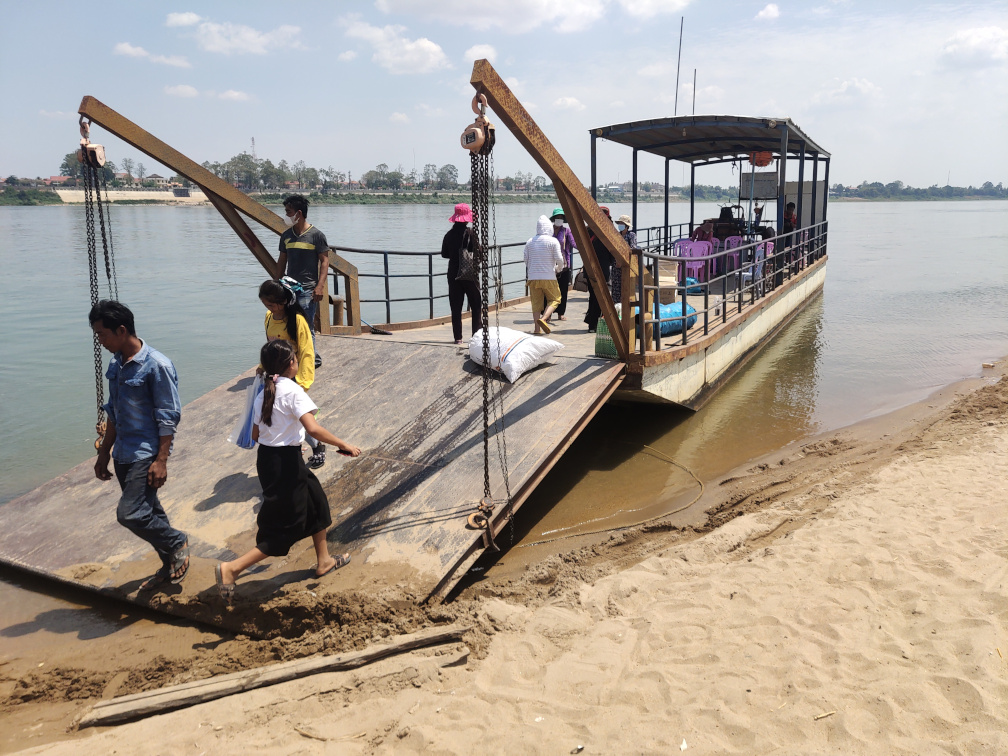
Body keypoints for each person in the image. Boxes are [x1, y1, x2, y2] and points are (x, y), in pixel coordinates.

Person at [215, 339, 360, 602]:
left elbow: (257, 434)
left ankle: (324, 560)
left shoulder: (263, 393)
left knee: (316, 502)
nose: (297, 361)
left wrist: (287, 442)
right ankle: (232, 568)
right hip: (286, 464)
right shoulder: (293, 392)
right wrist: (343, 444)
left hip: (270, 460)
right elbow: (313, 429)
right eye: (294, 358)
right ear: (290, 364)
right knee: (287, 529)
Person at [89, 300, 189, 590]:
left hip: (145, 453)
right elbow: (114, 413)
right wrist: (103, 453)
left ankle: (176, 542)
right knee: (150, 510)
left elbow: (169, 417)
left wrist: (161, 460)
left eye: (103, 335)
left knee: (130, 513)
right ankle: (170, 561)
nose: (101, 342)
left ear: (121, 330)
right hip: (123, 453)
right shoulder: (116, 363)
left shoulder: (157, 365)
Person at [259, 279, 325, 469]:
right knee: (279, 413)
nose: (269, 308)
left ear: (283, 302)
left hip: (294, 376)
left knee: (300, 415)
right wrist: (263, 365)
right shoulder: (269, 317)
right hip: (275, 375)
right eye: (265, 304)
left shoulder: (297, 320)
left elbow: (306, 351)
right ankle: (293, 445)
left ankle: (317, 446)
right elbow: (271, 347)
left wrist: (303, 382)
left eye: (271, 304)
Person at [277, 194, 329, 369]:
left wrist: (320, 286)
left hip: (307, 289)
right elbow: (282, 261)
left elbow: (325, 261)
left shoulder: (316, 235)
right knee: (290, 324)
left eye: (288, 211)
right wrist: (277, 284)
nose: (286, 215)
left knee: (307, 326)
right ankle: (295, 358)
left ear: (299, 213)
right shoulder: (286, 236)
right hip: (289, 289)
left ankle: (311, 360)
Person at [440, 203, 482, 345]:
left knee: (456, 307)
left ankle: (458, 338)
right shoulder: (471, 233)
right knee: (476, 305)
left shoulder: (449, 235)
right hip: (470, 274)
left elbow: (444, 254)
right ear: (466, 219)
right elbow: (480, 254)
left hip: (453, 274)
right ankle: (476, 336)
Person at [524, 215, 565, 334]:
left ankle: (537, 330)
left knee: (536, 303)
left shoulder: (530, 241)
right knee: (555, 298)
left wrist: (532, 269)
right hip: (548, 276)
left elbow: (525, 259)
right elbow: (559, 258)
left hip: (533, 277)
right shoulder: (553, 241)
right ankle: (544, 319)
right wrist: (559, 268)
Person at [584, 205, 614, 333]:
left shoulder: (588, 229)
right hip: (603, 268)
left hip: (589, 267)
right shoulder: (609, 230)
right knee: (600, 296)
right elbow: (612, 251)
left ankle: (592, 322)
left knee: (593, 295)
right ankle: (593, 323)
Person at [549, 207, 577, 321]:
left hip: (564, 265)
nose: (559, 220)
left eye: (561, 218)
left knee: (563, 290)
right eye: (557, 218)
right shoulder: (548, 231)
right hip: (550, 265)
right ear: (554, 219)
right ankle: (548, 313)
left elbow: (574, 244)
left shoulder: (567, 231)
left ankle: (560, 313)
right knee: (549, 290)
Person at [610, 214, 638, 304]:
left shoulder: (631, 235)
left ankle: (625, 308)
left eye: (622, 224)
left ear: (627, 226)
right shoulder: (616, 235)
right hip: (616, 266)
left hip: (626, 266)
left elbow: (633, 248)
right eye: (619, 223)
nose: (620, 225)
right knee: (615, 288)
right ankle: (616, 308)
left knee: (626, 287)